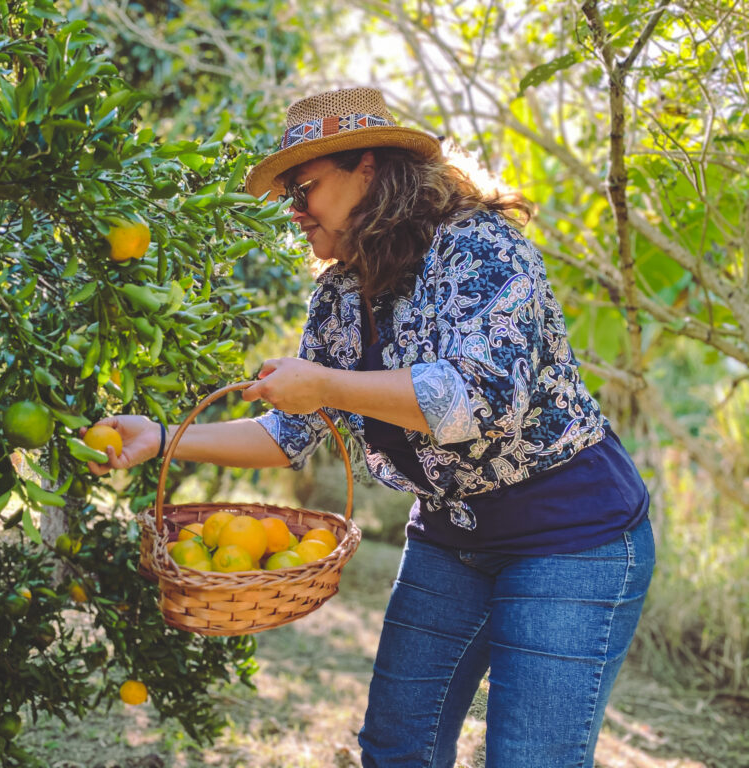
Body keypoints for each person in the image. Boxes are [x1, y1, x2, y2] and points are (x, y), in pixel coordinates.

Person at [85, 86, 654, 768]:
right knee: (395, 746)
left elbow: (481, 399)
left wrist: (324, 384)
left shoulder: (482, 249)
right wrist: (163, 438)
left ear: (371, 169)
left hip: (572, 538)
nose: (294, 211)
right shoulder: (339, 294)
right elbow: (288, 432)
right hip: (452, 536)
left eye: (306, 188)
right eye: (289, 194)